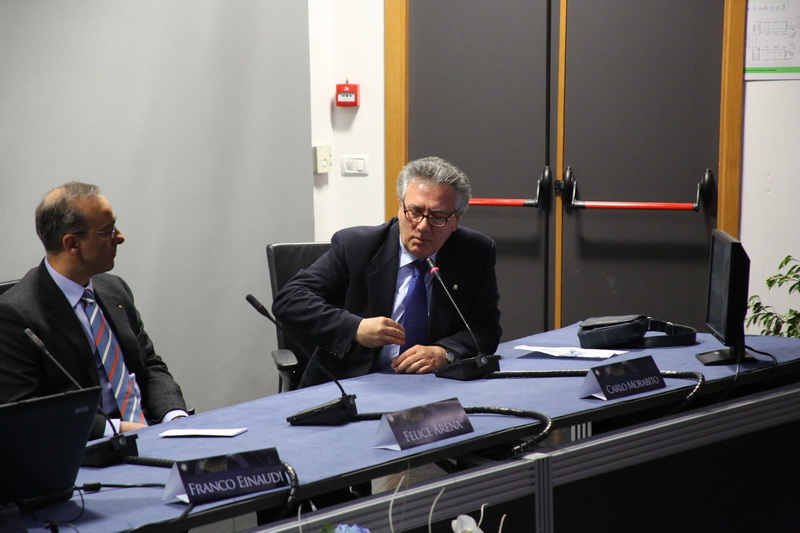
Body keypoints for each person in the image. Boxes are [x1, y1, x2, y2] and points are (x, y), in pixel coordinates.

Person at [273, 156, 502, 387]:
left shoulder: (475, 252)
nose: (423, 226)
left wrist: (446, 352)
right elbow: (290, 300)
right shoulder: (356, 246)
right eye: (414, 212)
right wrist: (355, 328)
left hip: (434, 383)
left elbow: (486, 328)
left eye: (437, 217)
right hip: (353, 383)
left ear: (456, 220)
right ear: (400, 207)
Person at [0, 182, 187, 440]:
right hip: (92, 447)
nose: (120, 237)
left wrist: (174, 416)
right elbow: (28, 412)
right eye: (108, 231)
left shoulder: (114, 289)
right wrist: (116, 430)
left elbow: (150, 364)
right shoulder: (15, 315)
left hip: (154, 432)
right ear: (72, 244)